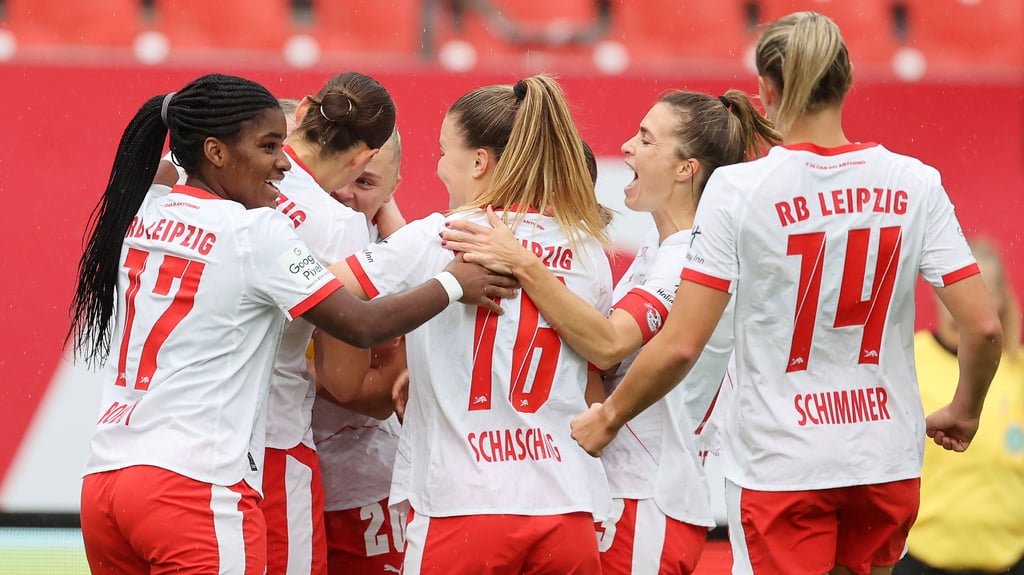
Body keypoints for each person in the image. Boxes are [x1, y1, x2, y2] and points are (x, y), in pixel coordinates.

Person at [569, 11, 1004, 575]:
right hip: (883, 456)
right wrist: (966, 410)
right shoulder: (914, 182)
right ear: (846, 81)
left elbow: (681, 344)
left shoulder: (739, 188)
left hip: (783, 462)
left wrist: (609, 418)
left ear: (767, 89)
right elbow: (984, 327)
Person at [67, 73, 515, 575]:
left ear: (302, 112)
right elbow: (358, 335)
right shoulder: (261, 230)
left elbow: (166, 172)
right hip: (210, 471)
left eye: (281, 143)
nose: (282, 164)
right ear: (214, 151)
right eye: (267, 147)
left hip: (107, 473)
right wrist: (453, 285)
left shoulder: (145, 207)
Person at [439, 89, 779, 574]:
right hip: (624, 492)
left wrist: (521, 260)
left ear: (686, 168)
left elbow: (608, 343)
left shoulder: (689, 256)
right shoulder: (658, 249)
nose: (626, 147)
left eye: (646, 139)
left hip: (648, 497)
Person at [324, 74, 613, 574]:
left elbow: (316, 286)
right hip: (568, 506)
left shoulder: (443, 235)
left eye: (443, 151)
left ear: (479, 161)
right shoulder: (587, 250)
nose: (438, 166)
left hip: (466, 506)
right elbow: (587, 373)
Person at [260, 71, 395, 575]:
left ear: (300, 111)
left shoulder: (220, 177)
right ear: (362, 155)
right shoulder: (337, 226)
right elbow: (345, 380)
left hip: (174, 440)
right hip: (274, 444)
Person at [311, 128, 411, 574]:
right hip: (271, 479)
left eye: (367, 183)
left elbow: (378, 396)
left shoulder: (398, 257)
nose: (345, 194)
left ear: (394, 187)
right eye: (339, 178)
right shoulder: (267, 232)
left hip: (361, 488)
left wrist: (288, 369)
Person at [894, 238, 1024, 575]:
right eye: (958, 287)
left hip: (1009, 561)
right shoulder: (907, 360)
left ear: (999, 298)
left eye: (983, 289)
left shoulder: (1018, 368)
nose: (969, 302)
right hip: (920, 560)